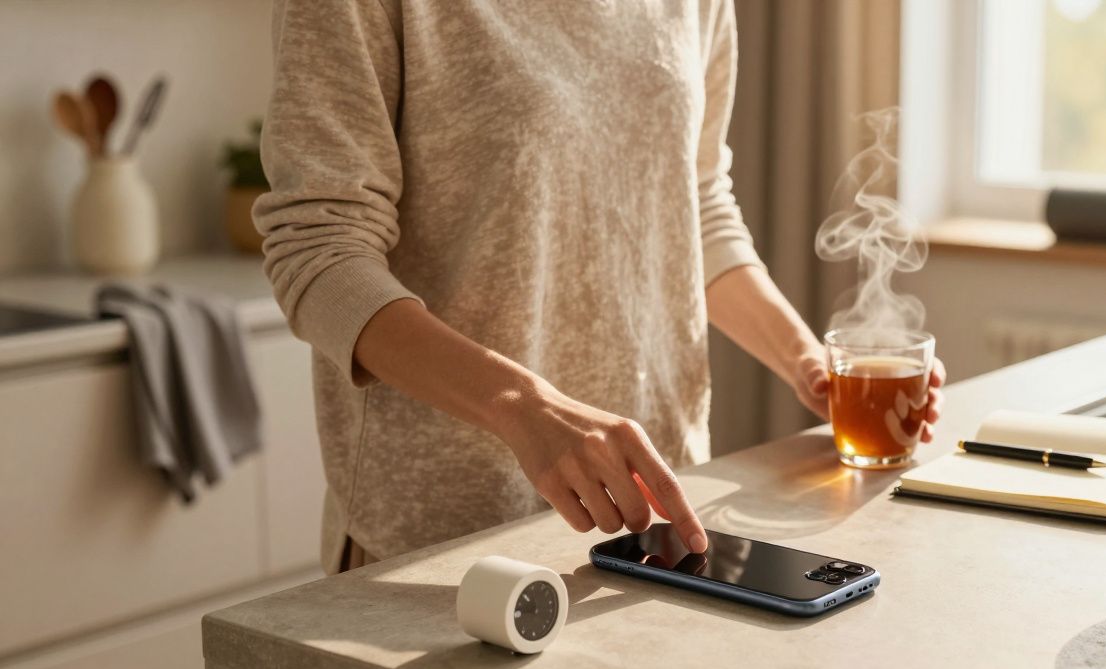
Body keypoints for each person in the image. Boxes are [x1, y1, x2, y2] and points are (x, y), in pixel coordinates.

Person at [256, 0, 946, 574]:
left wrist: (806, 361)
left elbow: (693, 203)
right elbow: (319, 249)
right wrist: (524, 407)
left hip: (661, 516)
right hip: (440, 538)